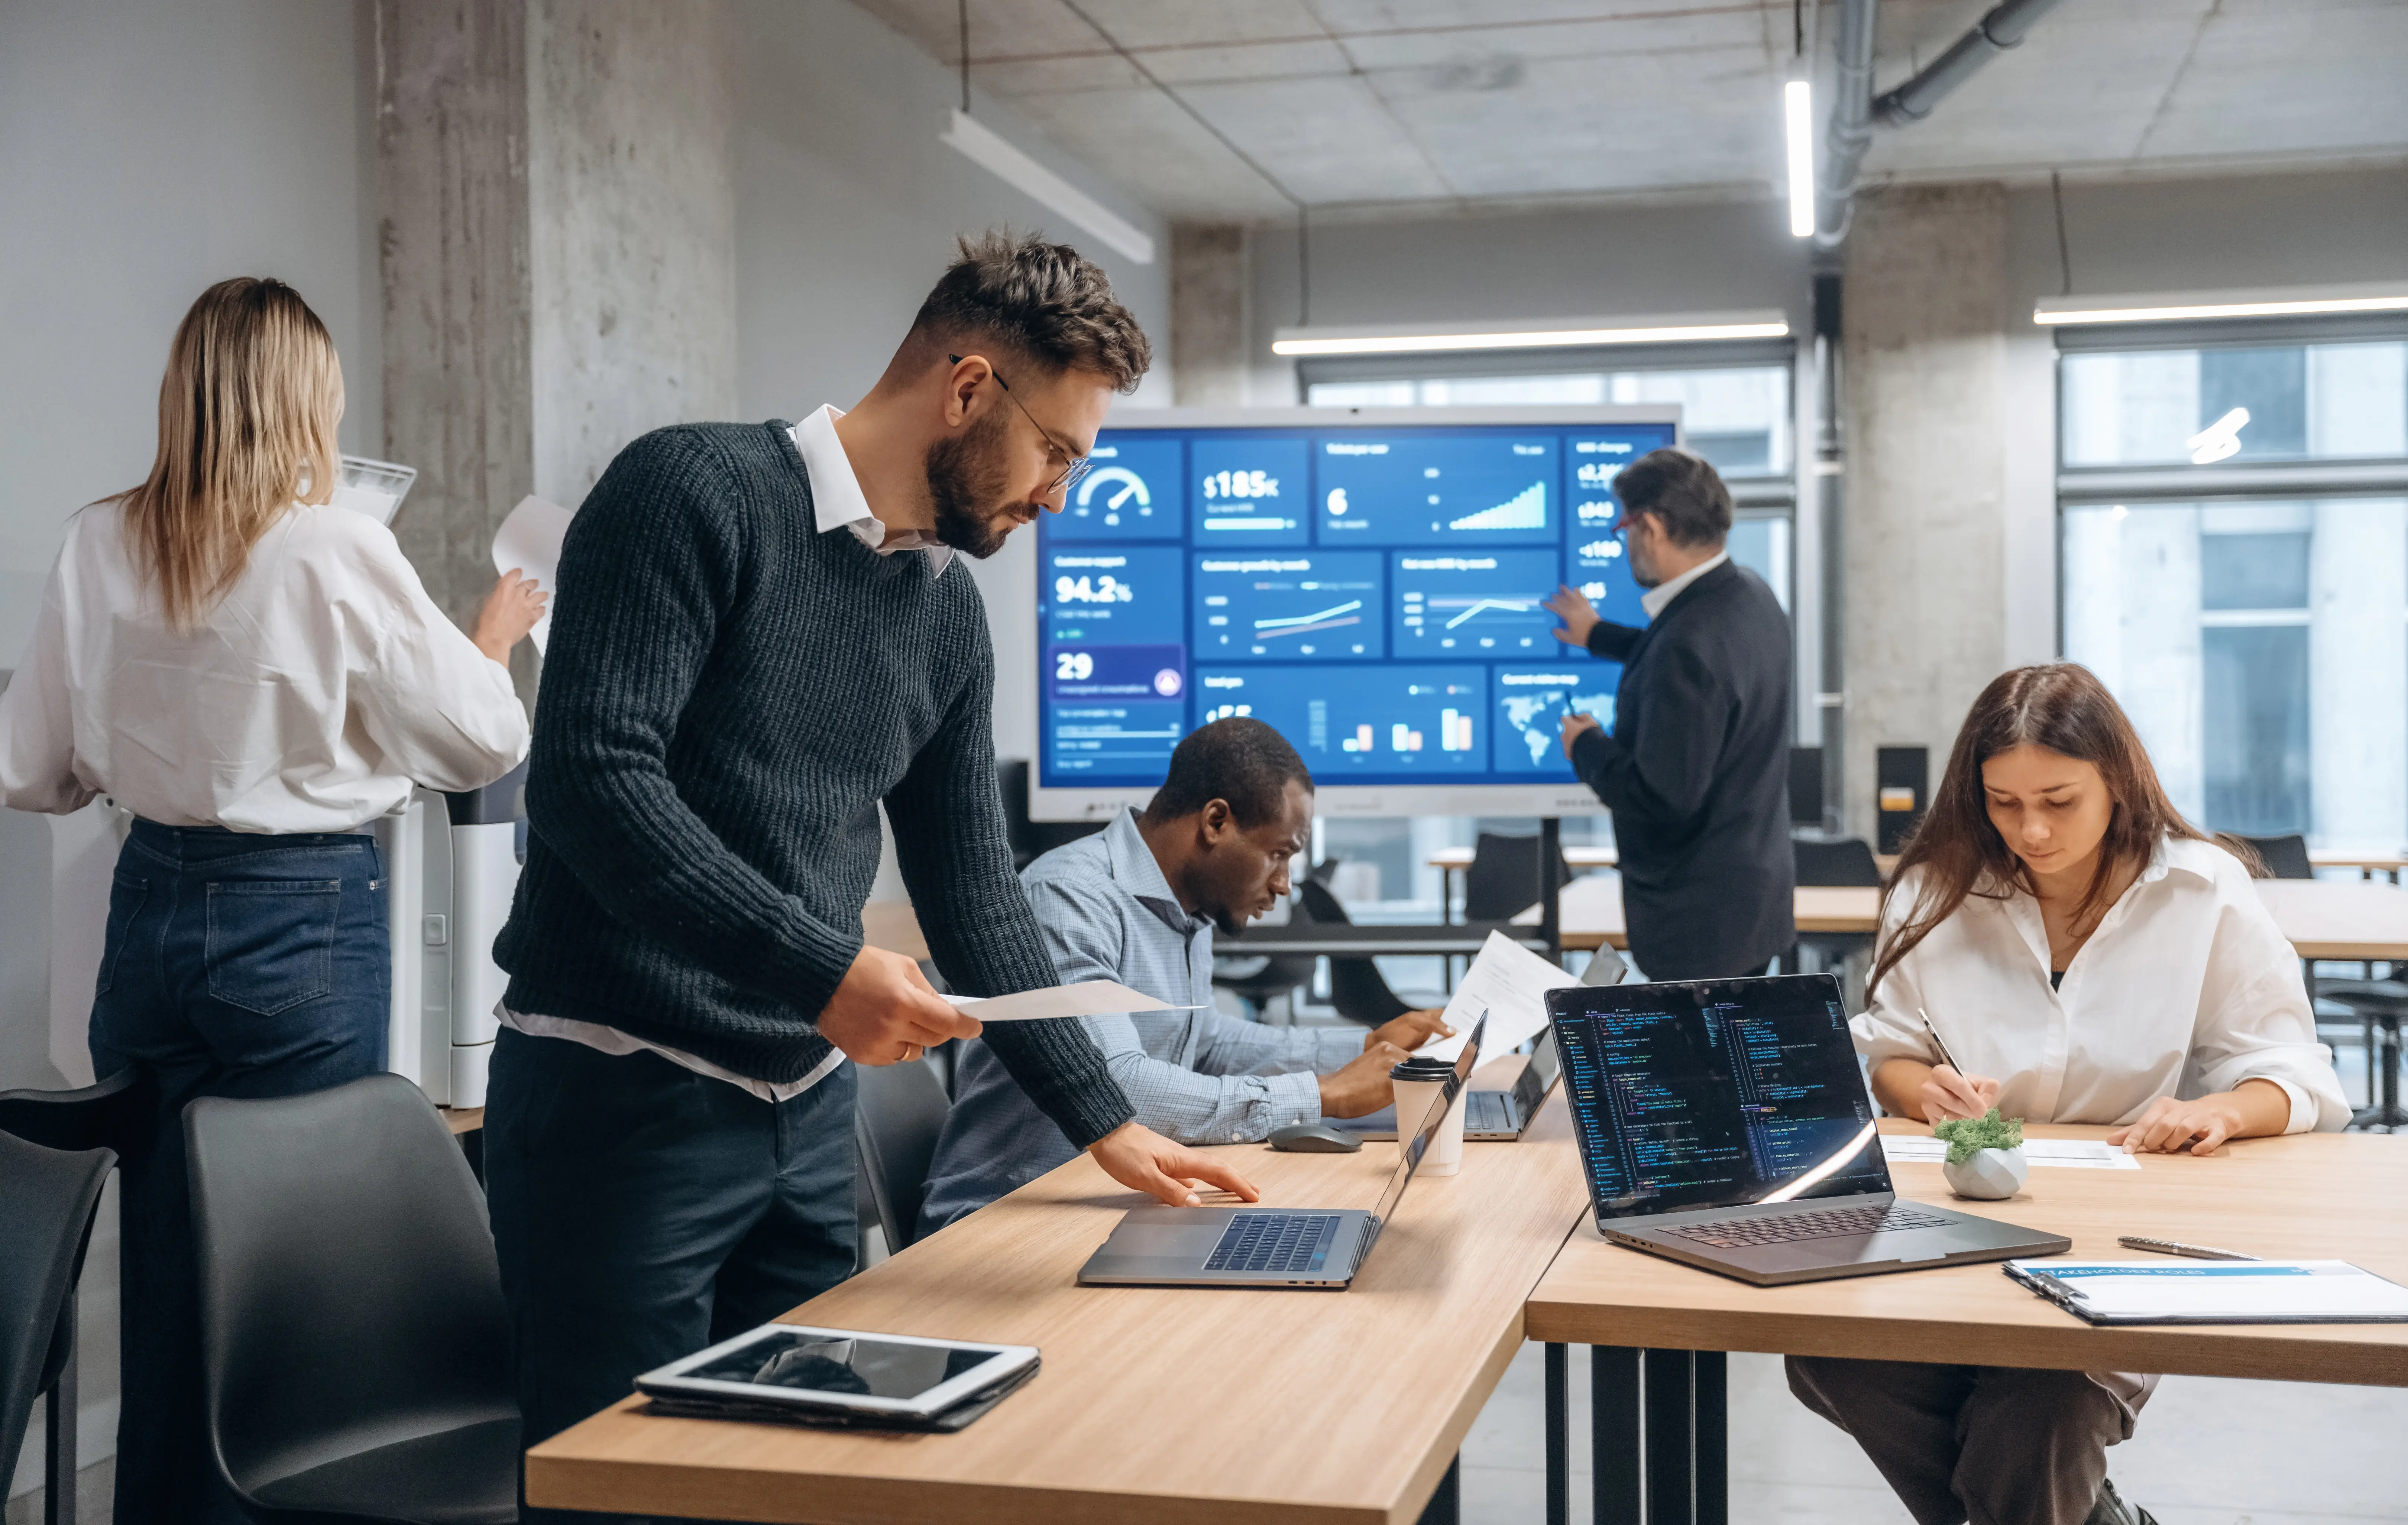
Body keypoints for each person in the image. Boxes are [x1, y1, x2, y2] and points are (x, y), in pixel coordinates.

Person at [482, 233, 1256, 1503]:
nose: (1060, 496)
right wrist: (822, 965)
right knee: (628, 1494)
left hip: (800, 1116)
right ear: (966, 390)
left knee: (804, 1487)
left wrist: (1107, 1122)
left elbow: (975, 887)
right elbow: (592, 781)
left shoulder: (943, 609)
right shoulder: (693, 491)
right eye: (1057, 452)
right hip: (619, 1105)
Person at [0, 277, 541, 1525]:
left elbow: (34, 768)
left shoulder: (101, 537)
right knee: (299, 1291)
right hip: (303, 919)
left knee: (175, 1281)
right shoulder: (339, 544)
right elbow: (481, 741)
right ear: (306, 402)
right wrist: (492, 636)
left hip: (148, 923)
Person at [1789, 663, 2348, 1525]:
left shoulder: (2203, 889)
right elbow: (1889, 1056)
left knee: (2044, 1401)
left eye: (2058, 800)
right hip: (1962, 1217)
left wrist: (2219, 1109)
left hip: (2131, 1232)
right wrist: (1924, 1090)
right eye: (2004, 804)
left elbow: (2296, 1072)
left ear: (2117, 784)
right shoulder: (1935, 889)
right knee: (1831, 1352)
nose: (2032, 831)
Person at [919, 718, 1453, 1230]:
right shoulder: (1069, 898)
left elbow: (1206, 1042)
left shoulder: (1186, 911)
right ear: (1216, 822)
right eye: (1278, 855)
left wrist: (1363, 1047)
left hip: (1113, 1200)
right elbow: (1117, 1086)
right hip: (1010, 1214)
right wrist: (1321, 1095)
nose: (1286, 884)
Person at [1543, 448, 1792, 979]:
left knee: (1701, 1063)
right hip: (1748, 902)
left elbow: (1661, 797)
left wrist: (1585, 746)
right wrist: (1599, 635)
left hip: (1696, 922)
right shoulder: (1748, 596)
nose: (1624, 541)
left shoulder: (1686, 643)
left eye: (1623, 527)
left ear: (1651, 527)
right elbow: (1700, 679)